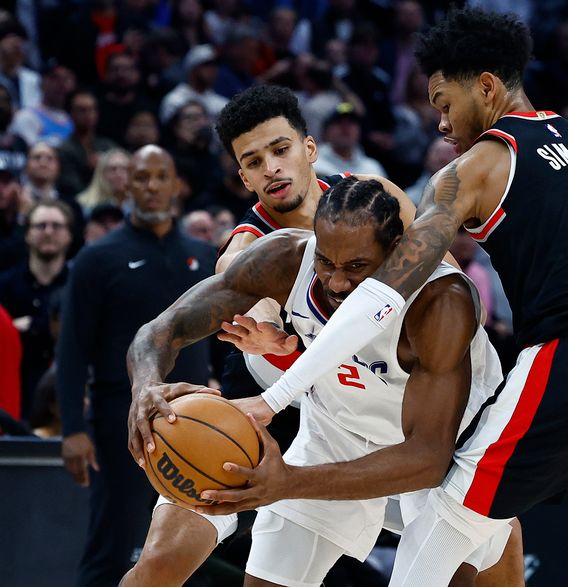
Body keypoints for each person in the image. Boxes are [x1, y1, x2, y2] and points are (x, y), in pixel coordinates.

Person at [222, 9, 568, 586]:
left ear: (486, 86)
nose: (441, 124)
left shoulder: (476, 167)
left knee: (432, 548)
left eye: (444, 103)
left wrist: (276, 395)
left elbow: (384, 294)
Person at [125, 84, 522, 587]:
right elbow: (164, 331)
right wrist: (145, 389)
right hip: (296, 411)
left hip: (432, 424)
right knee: (166, 563)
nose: (271, 167)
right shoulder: (261, 255)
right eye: (253, 160)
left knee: (491, 539)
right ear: (242, 176)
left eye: (280, 149)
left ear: (309, 149)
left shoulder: (387, 212)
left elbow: (440, 296)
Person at [56, 145, 216, 586]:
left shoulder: (202, 256)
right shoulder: (97, 258)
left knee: (187, 550)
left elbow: (224, 337)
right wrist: (72, 428)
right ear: (127, 184)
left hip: (194, 421)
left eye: (160, 177)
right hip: (117, 421)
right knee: (112, 545)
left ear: (176, 184)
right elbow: (71, 349)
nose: (151, 187)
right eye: (141, 177)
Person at [0, 200, 72, 422]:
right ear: (27, 234)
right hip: (13, 393)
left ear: (69, 235)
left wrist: (32, 326)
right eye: (40, 226)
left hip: (68, 398)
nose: (48, 232)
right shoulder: (5, 285)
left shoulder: (80, 286)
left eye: (56, 226)